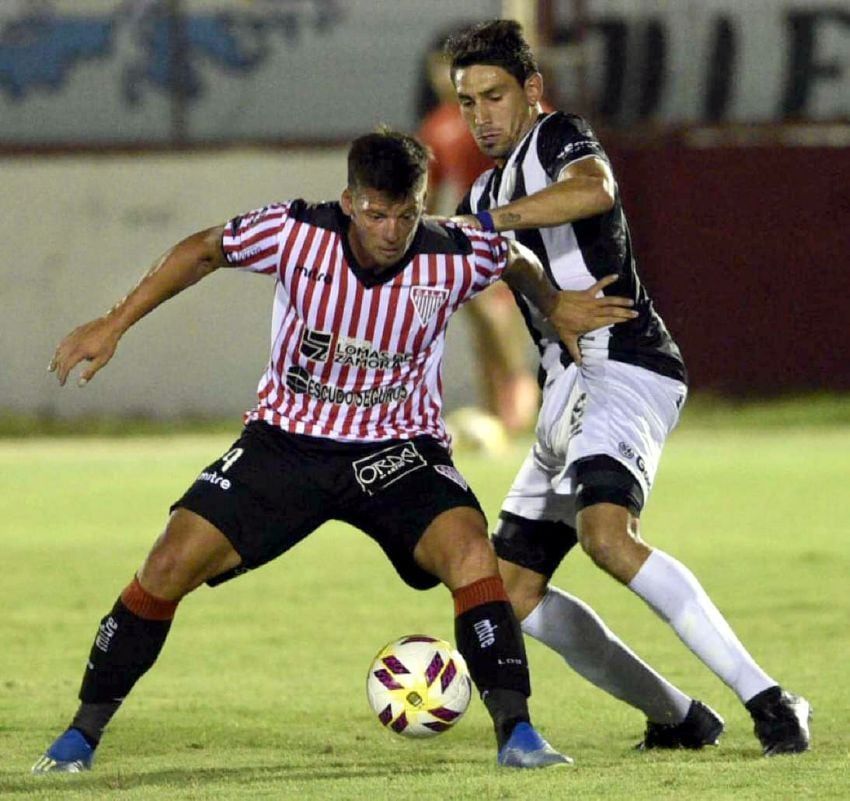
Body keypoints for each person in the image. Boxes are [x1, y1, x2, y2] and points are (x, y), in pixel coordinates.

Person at [33, 129, 643, 774]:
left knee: (470, 552)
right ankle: (80, 736)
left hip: (398, 452)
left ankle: (518, 735)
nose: (391, 231)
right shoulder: (294, 233)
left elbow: (513, 254)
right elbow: (205, 248)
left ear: (422, 203)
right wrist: (114, 321)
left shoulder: (455, 249)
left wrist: (554, 305)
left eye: (406, 214)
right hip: (287, 443)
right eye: (376, 214)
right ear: (349, 201)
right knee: (167, 563)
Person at [444, 20, 811, 756]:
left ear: (531, 91)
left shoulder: (557, 140)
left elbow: (593, 190)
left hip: (626, 363)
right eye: (467, 101)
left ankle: (770, 697)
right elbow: (497, 269)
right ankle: (678, 715)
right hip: (563, 391)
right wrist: (548, 299)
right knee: (512, 591)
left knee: (607, 538)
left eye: (494, 96)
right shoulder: (485, 184)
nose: (482, 115)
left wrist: (485, 224)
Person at [417, 27, 539, 437]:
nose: (441, 78)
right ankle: (498, 412)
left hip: (525, 228)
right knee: (482, 319)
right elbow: (427, 192)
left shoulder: (511, 111)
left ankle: (519, 384)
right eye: (436, 70)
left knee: (497, 311)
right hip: (479, 233)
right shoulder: (438, 127)